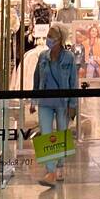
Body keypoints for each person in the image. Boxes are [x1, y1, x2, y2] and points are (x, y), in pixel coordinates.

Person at [33, 22, 79, 187]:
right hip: (45, 101)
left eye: (51, 37)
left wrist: (73, 104)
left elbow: (74, 82)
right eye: (48, 36)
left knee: (61, 134)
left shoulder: (69, 57)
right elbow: (36, 79)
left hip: (62, 102)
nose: (48, 39)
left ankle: (59, 166)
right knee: (46, 135)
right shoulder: (42, 56)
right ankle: (50, 172)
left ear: (60, 39)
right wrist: (33, 100)